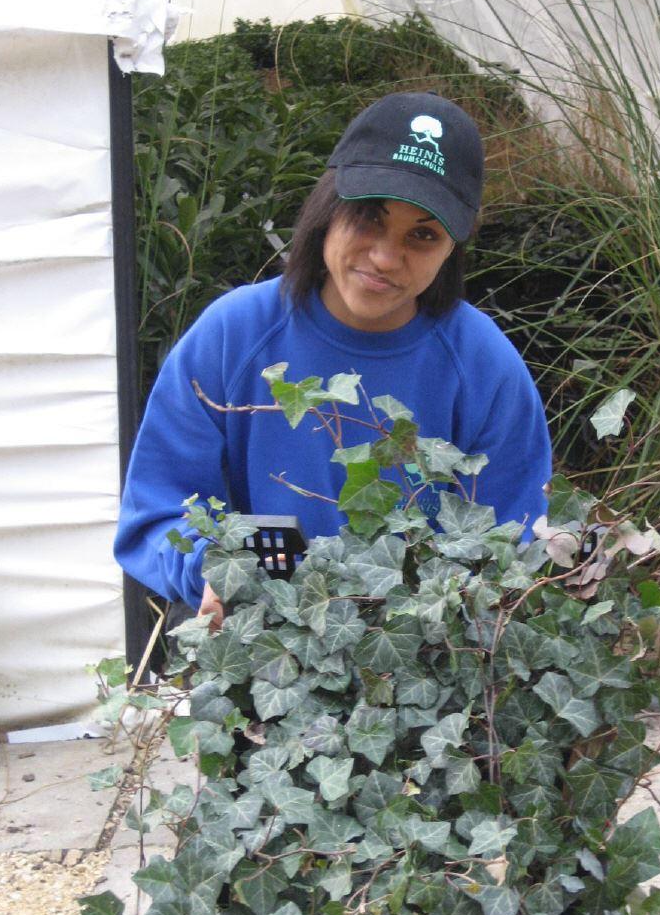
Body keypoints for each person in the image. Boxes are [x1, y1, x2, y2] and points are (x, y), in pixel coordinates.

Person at [115, 91, 553, 629]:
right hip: (254, 636)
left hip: (422, 655)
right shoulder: (234, 333)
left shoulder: (484, 363)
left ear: (451, 250)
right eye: (369, 218)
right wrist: (227, 570)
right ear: (326, 210)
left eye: (423, 234)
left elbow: (515, 541)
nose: (386, 257)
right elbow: (157, 513)